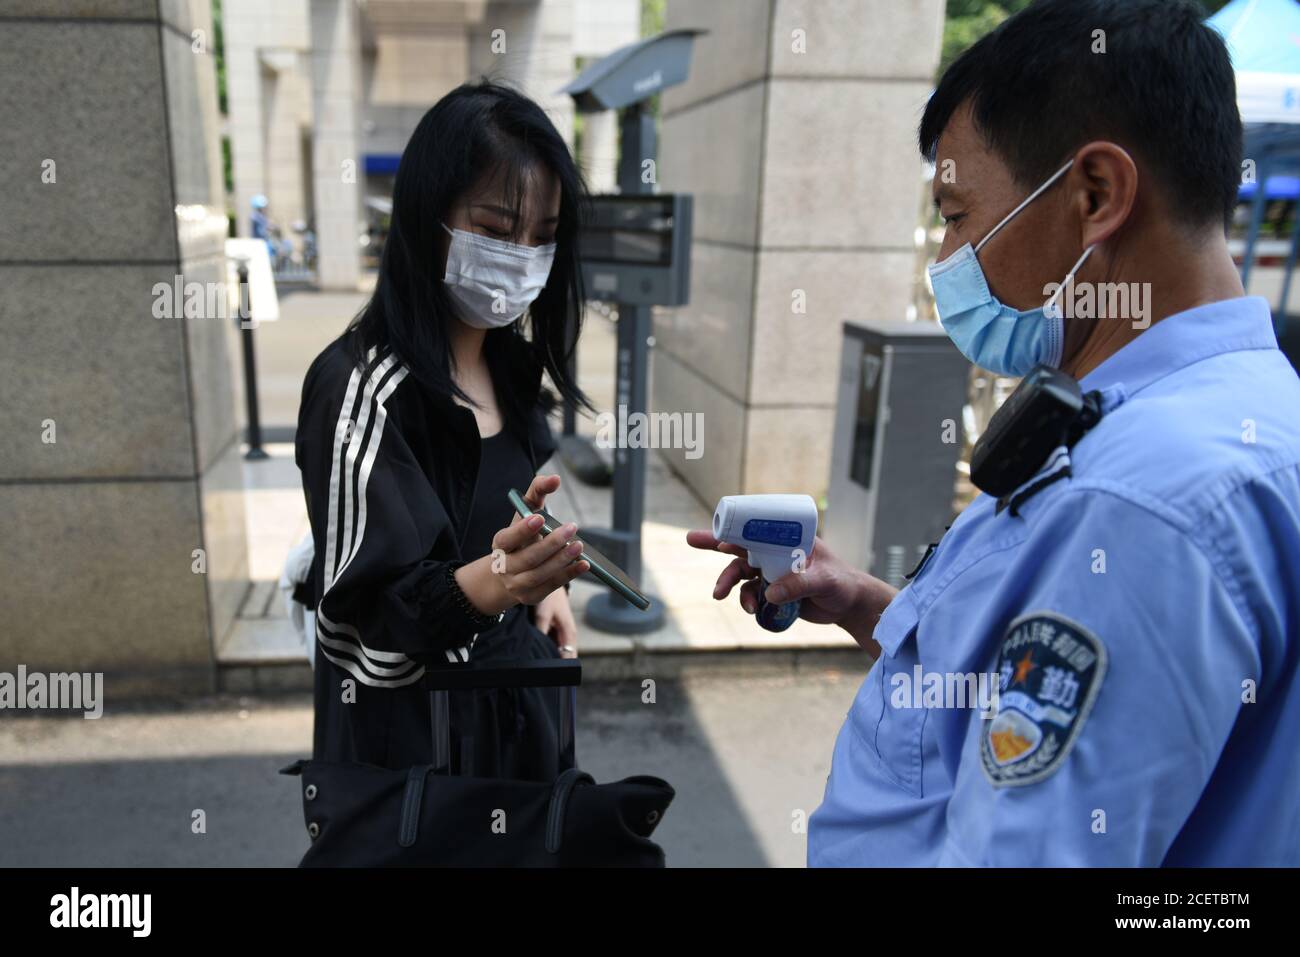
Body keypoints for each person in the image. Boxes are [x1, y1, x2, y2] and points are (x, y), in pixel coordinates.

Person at [690, 0, 1300, 865]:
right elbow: (1034, 685)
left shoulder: (1140, 504)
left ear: (1095, 195)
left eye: (956, 215)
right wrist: (873, 606)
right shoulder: (1230, 413)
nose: (947, 262)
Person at [296, 81, 592, 780]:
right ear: (429, 217)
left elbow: (516, 514)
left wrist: (544, 587)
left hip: (520, 720)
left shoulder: (513, 366)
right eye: (494, 229)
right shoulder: (355, 391)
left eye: (542, 238)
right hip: (416, 758)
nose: (521, 257)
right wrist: (501, 579)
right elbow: (365, 625)